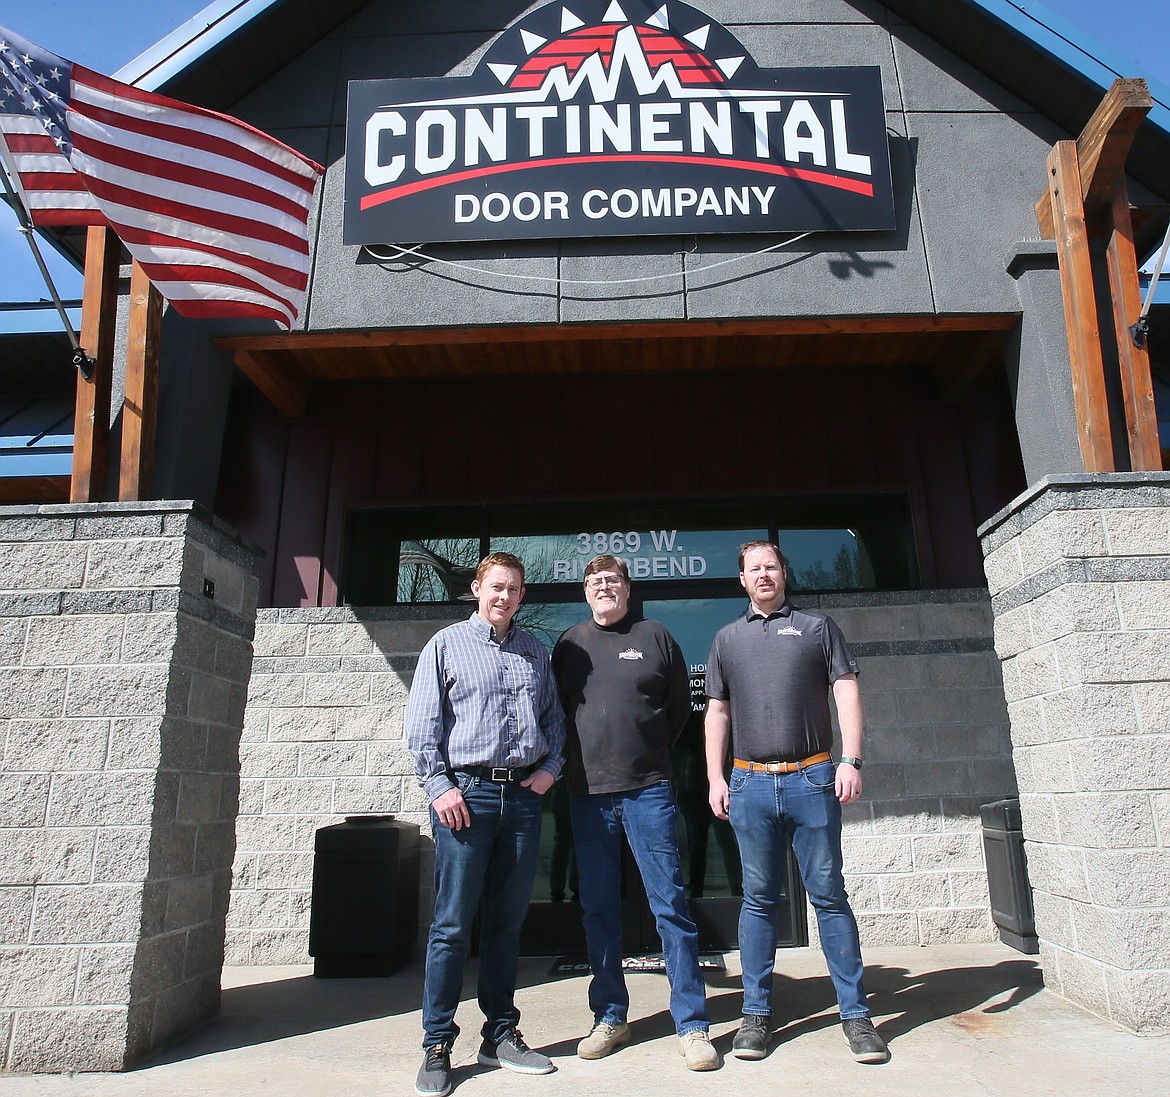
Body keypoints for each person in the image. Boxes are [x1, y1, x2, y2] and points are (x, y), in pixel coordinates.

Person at [704, 541, 888, 1065]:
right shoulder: (726, 639)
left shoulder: (816, 628)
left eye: (771, 566)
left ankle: (856, 1016)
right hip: (749, 784)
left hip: (813, 778)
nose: (763, 575)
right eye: (753, 569)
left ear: (785, 572)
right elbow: (717, 712)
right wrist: (715, 776)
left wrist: (850, 760)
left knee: (828, 897)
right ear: (741, 579)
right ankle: (755, 1016)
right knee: (759, 899)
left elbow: (846, 690)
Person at [406, 551, 567, 1097]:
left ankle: (500, 1034)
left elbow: (553, 721)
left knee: (506, 923)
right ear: (477, 589)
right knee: (452, 926)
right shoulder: (446, 645)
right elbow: (423, 725)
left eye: (514, 589)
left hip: (521, 800)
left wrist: (549, 769)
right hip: (465, 797)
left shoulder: (533, 652)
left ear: (522, 596)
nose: (504, 596)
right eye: (495, 586)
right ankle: (436, 1044)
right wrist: (439, 786)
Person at [552, 554, 721, 1071]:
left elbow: (677, 711)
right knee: (599, 910)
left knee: (669, 905)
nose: (604, 588)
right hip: (587, 794)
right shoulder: (569, 646)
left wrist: (649, 754)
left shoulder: (656, 636)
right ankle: (610, 1017)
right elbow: (555, 713)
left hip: (648, 790)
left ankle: (692, 1025)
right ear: (586, 593)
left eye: (613, 580)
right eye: (595, 582)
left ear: (628, 588)